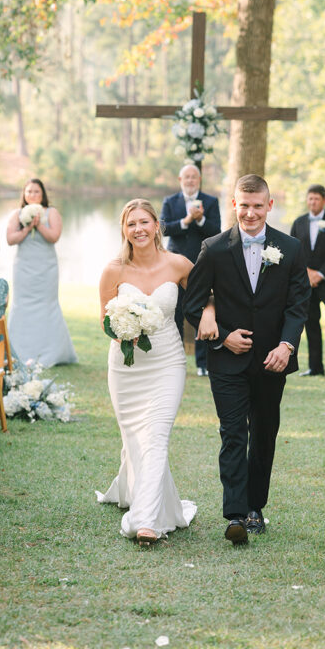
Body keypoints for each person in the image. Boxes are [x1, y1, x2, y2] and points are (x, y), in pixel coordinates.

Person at [184, 174, 310, 544]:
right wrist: (223, 336)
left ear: (269, 205)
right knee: (233, 432)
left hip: (273, 361)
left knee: (265, 434)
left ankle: (257, 506)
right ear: (234, 205)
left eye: (258, 205)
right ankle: (236, 514)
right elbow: (192, 304)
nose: (251, 212)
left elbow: (298, 306)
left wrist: (286, 346)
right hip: (226, 362)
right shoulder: (214, 248)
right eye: (244, 205)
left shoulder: (291, 247)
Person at [97, 198, 196, 544]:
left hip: (168, 361)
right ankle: (145, 497)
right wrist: (124, 327)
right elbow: (104, 321)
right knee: (136, 440)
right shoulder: (113, 271)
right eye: (131, 224)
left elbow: (205, 295)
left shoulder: (179, 264)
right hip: (126, 368)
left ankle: (144, 520)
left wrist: (210, 314)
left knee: (156, 436)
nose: (138, 229)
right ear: (124, 230)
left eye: (144, 222)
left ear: (157, 226)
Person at [6, 178, 77, 367]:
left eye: (36, 192)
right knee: (21, 304)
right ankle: (18, 351)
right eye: (29, 191)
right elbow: (10, 239)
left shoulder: (51, 212)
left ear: (42, 194)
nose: (32, 195)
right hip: (24, 267)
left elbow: (54, 237)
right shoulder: (17, 213)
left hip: (46, 267)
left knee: (48, 304)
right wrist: (28, 227)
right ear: (24, 194)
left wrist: (39, 225)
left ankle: (51, 352)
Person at [160, 163, 221, 375]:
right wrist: (186, 221)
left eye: (194, 177)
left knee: (201, 312)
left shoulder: (211, 202)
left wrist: (201, 219)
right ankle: (173, 360)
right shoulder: (170, 201)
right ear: (180, 180)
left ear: (199, 180)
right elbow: (162, 228)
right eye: (186, 177)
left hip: (200, 266)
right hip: (173, 266)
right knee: (174, 313)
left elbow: (216, 232)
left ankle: (203, 364)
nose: (190, 181)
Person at [290, 184, 325, 378]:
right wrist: (306, 273)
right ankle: (315, 367)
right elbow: (293, 250)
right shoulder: (298, 223)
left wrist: (320, 274)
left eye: (316, 198)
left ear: (324, 200)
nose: (312, 202)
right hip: (306, 283)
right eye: (310, 198)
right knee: (310, 323)